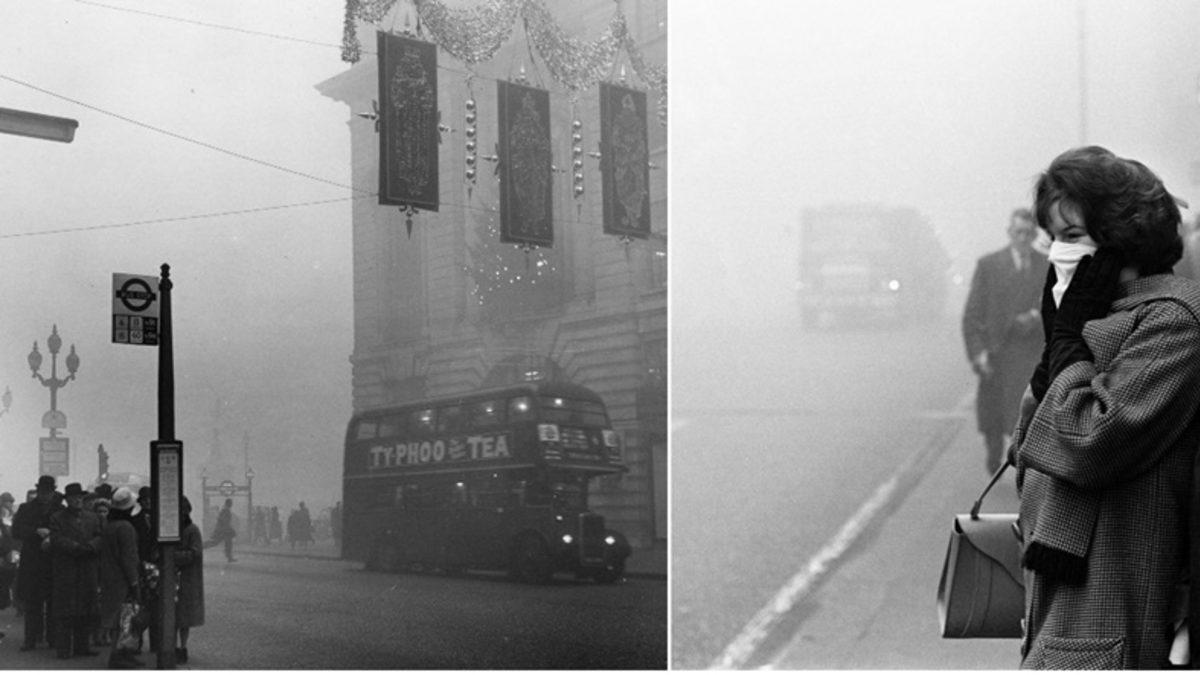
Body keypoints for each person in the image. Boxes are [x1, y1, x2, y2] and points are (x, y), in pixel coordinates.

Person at [1010, 146, 1200, 668]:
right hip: (1059, 608)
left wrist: (1068, 340)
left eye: (1072, 236)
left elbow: (1086, 443)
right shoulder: (1096, 317)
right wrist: (1058, 348)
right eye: (1052, 238)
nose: (1057, 253)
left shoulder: (1173, 321)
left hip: (1110, 614)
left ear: (1121, 239)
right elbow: (1027, 454)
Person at [961, 207, 1049, 473]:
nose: (1023, 238)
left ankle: (1025, 465)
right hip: (997, 353)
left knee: (1025, 415)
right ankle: (994, 453)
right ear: (1009, 233)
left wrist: (1036, 316)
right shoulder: (989, 266)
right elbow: (972, 315)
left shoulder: (1046, 266)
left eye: (1028, 233)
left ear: (1034, 235)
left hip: (1031, 354)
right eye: (1018, 232)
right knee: (993, 417)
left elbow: (1055, 306)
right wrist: (979, 354)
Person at [46, 483, 104, 659]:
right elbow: (56, 539)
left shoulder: (93, 517)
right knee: (66, 611)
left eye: (80, 497)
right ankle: (63, 649)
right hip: (67, 569)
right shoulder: (57, 518)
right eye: (73, 498)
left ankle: (82, 647)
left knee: (86, 609)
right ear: (67, 500)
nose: (77, 500)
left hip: (87, 569)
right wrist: (77, 548)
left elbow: (100, 536)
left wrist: (91, 547)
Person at [12, 475, 62, 651]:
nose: (45, 495)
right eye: (42, 491)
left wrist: (52, 536)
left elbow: (65, 532)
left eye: (48, 492)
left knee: (53, 603)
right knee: (33, 603)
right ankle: (31, 639)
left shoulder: (60, 510)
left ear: (53, 492)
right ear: (38, 491)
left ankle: (52, 638)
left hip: (53, 561)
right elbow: (16, 531)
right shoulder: (26, 509)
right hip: (32, 562)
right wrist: (35, 531)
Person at [98, 487, 142, 669]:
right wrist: (134, 582)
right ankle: (120, 656)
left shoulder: (110, 526)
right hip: (122, 580)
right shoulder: (126, 527)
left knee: (117, 618)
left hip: (109, 577)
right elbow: (128, 558)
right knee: (126, 619)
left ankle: (119, 654)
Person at [172, 496, 204, 664]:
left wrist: (173, 557)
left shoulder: (192, 530)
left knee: (183, 618)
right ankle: (175, 647)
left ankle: (182, 647)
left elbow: (195, 553)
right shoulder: (182, 530)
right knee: (175, 616)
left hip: (186, 578)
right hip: (179, 577)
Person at [204, 498, 237, 562]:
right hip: (222, 531)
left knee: (227, 543)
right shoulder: (225, 511)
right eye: (231, 503)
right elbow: (225, 522)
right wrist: (231, 530)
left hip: (223, 531)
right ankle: (200, 546)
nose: (231, 504)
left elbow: (224, 521)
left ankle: (229, 557)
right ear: (228, 504)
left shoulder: (225, 510)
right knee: (214, 542)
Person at [0, 491, 17, 612]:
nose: (9, 504)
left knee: (11, 577)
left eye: (10, 502)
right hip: (3, 553)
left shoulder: (15, 518)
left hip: (13, 552)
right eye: (6, 502)